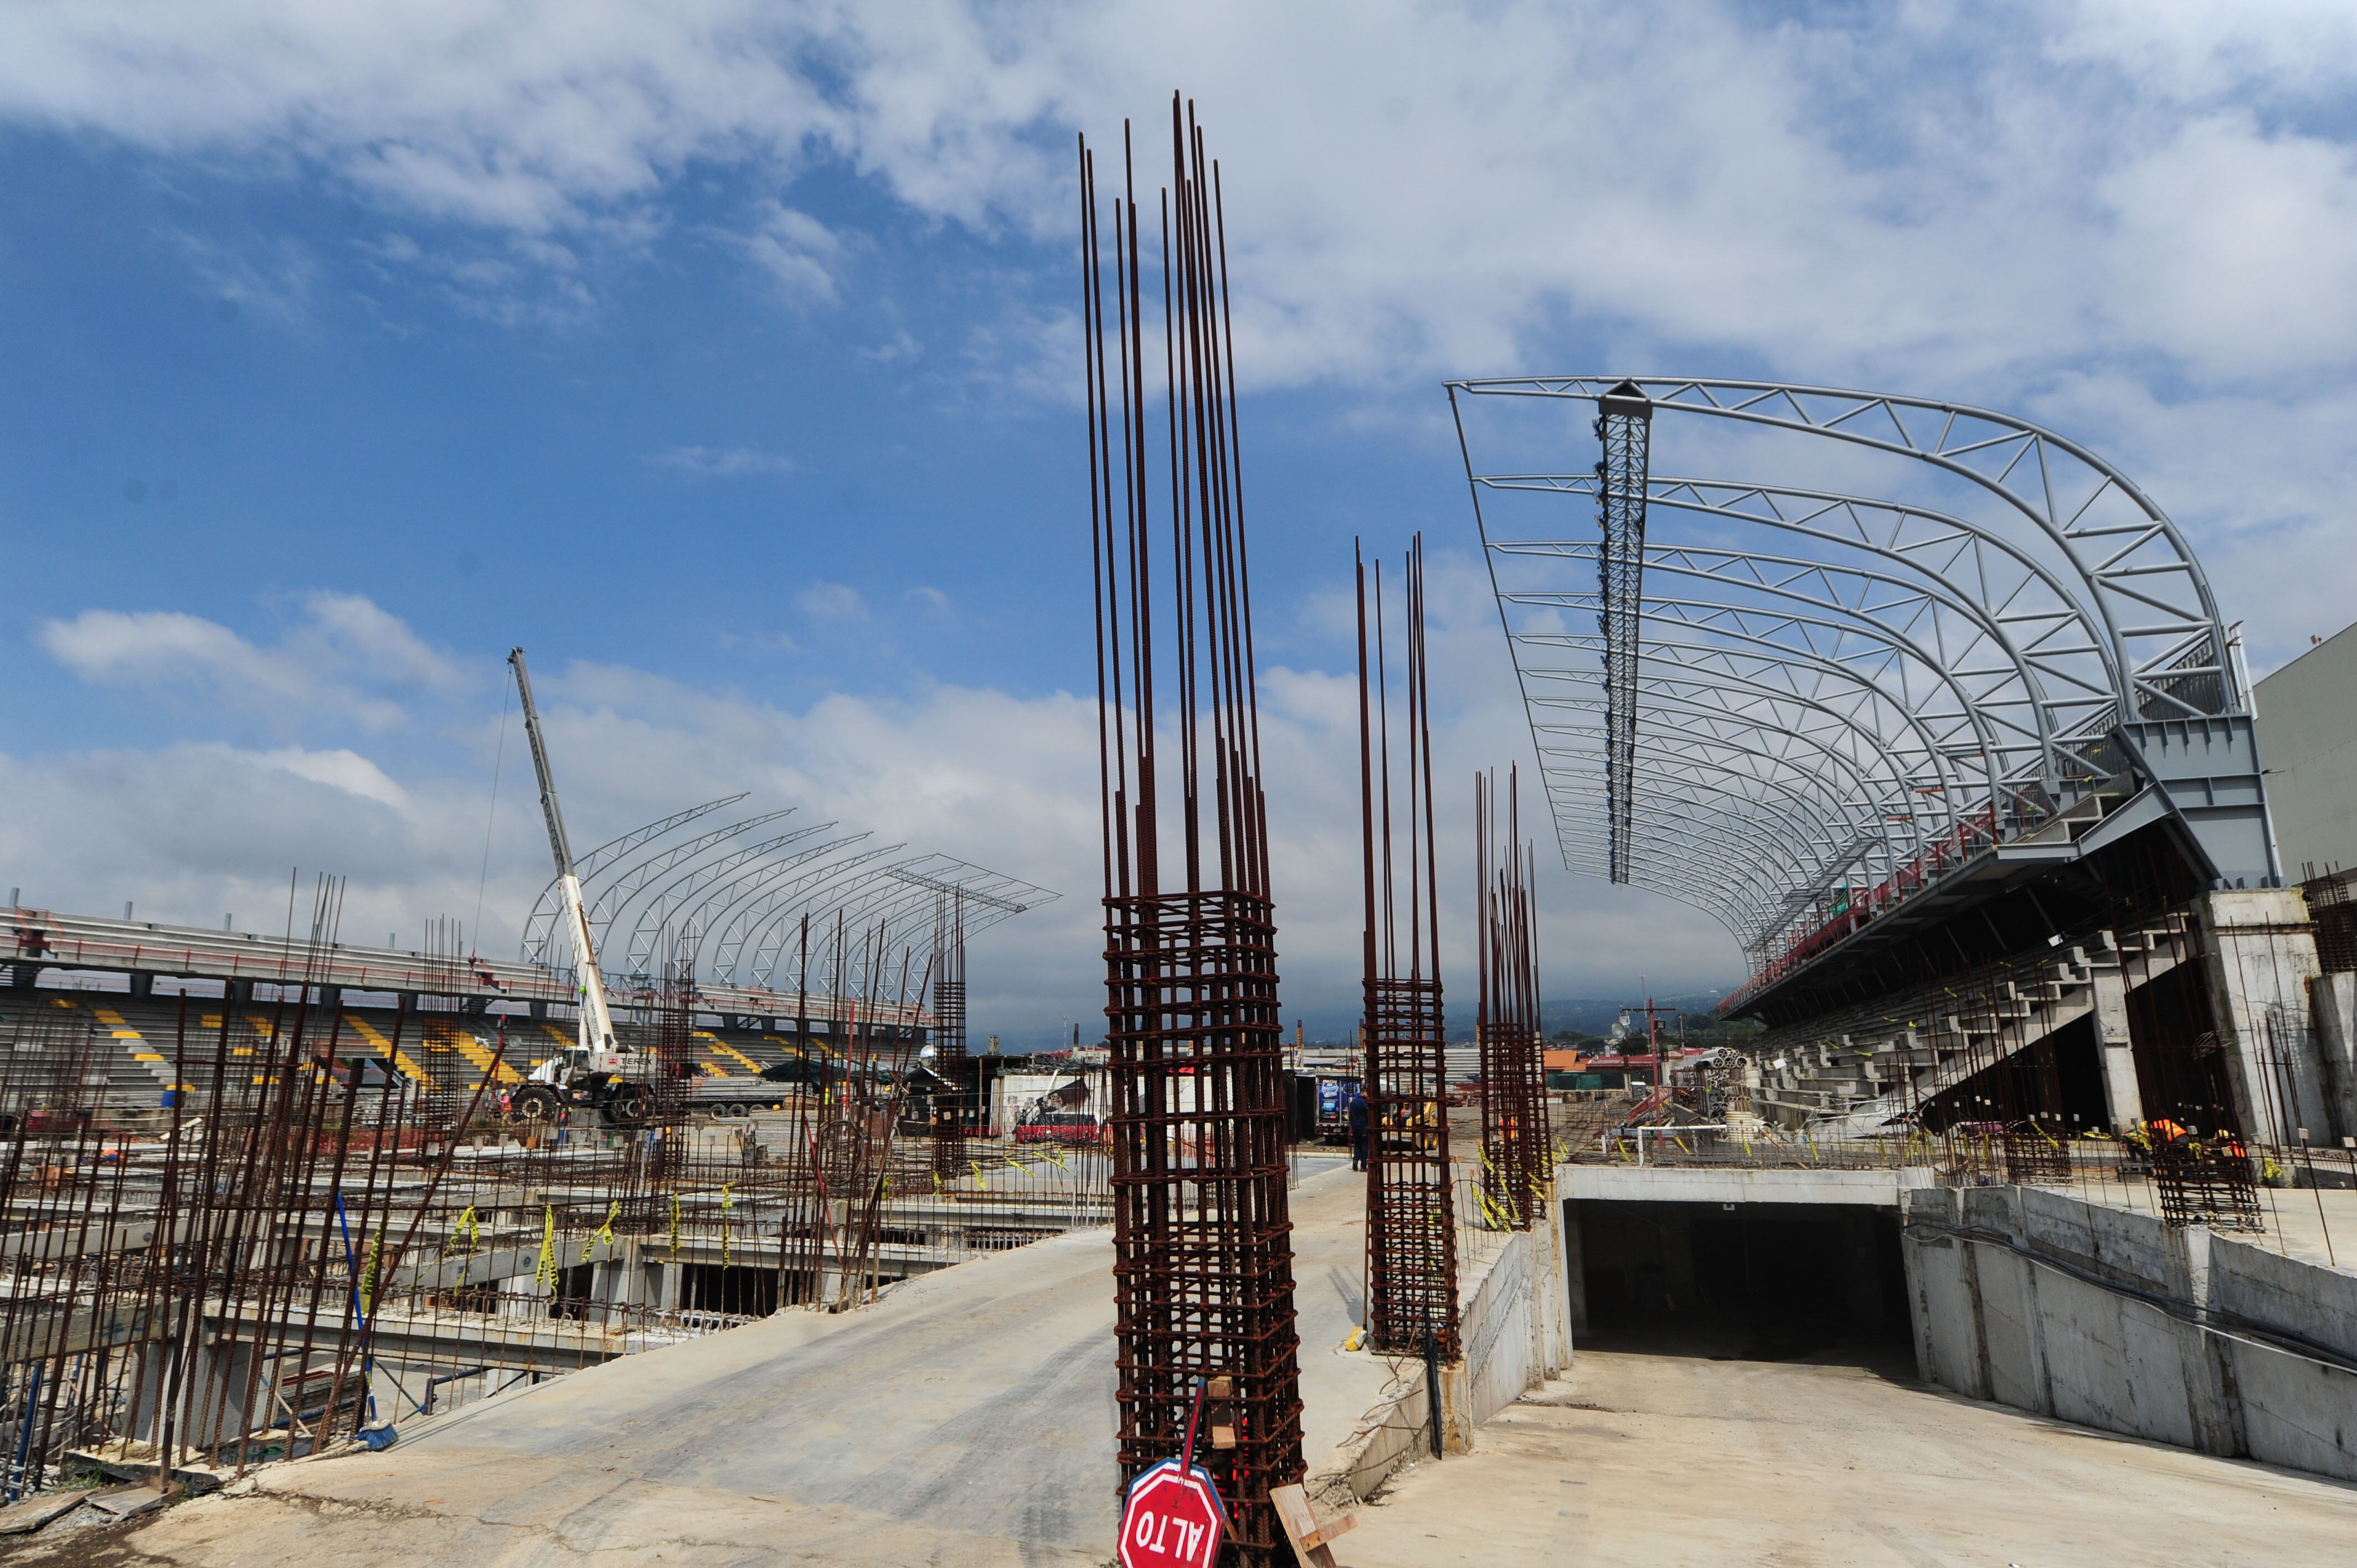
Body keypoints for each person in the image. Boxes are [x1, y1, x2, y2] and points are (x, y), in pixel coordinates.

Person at [1347, 1089, 1370, 1171]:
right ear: (1364, 1093)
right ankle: (1363, 1166)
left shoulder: (1353, 1103)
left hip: (1355, 1127)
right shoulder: (1364, 1103)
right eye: (1368, 1093)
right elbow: (1368, 1115)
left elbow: (1351, 1116)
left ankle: (1355, 1160)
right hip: (1363, 1127)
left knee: (1357, 1145)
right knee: (1364, 1146)